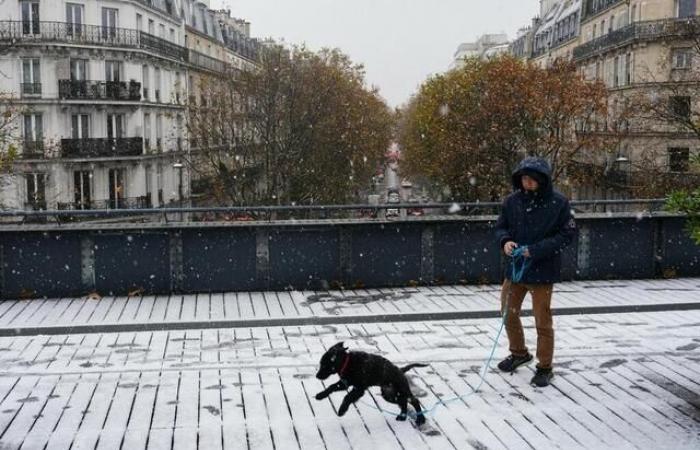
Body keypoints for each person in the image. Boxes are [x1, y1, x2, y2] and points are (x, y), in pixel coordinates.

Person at [494, 157, 577, 387]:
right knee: (507, 313)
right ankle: (519, 353)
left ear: (542, 180)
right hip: (515, 271)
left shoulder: (559, 203)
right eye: (523, 179)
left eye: (531, 179)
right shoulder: (512, 202)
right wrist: (505, 241)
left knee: (542, 321)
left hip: (543, 271)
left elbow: (567, 235)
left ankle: (545, 366)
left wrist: (536, 251)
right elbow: (501, 227)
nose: (527, 183)